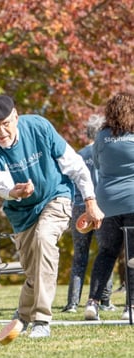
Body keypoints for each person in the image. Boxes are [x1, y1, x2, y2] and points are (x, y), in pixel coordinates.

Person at [0, 94, 104, 340]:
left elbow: (75, 165)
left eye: (5, 123)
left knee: (45, 240)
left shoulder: (39, 127)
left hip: (57, 195)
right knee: (34, 272)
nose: (1, 131)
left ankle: (41, 320)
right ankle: (22, 315)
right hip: (22, 212)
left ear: (16, 117)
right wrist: (14, 191)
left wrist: (90, 202)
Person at [84, 91, 134, 321]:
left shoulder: (101, 136)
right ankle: (130, 307)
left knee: (106, 252)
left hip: (104, 202)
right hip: (132, 200)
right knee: (133, 255)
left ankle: (92, 303)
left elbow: (96, 164)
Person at [62, 114, 116, 313]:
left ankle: (72, 303)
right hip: (101, 208)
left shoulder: (78, 155)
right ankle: (104, 301)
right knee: (106, 252)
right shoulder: (106, 152)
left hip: (78, 206)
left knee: (79, 256)